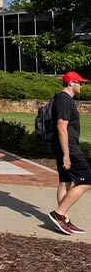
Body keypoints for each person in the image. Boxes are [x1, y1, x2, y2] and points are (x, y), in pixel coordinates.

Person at [48, 71, 91, 235]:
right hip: (68, 147)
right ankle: (58, 214)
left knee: (65, 181)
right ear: (71, 83)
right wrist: (66, 154)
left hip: (63, 146)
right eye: (80, 82)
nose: (82, 85)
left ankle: (64, 219)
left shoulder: (64, 99)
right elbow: (61, 126)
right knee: (86, 180)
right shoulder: (64, 100)